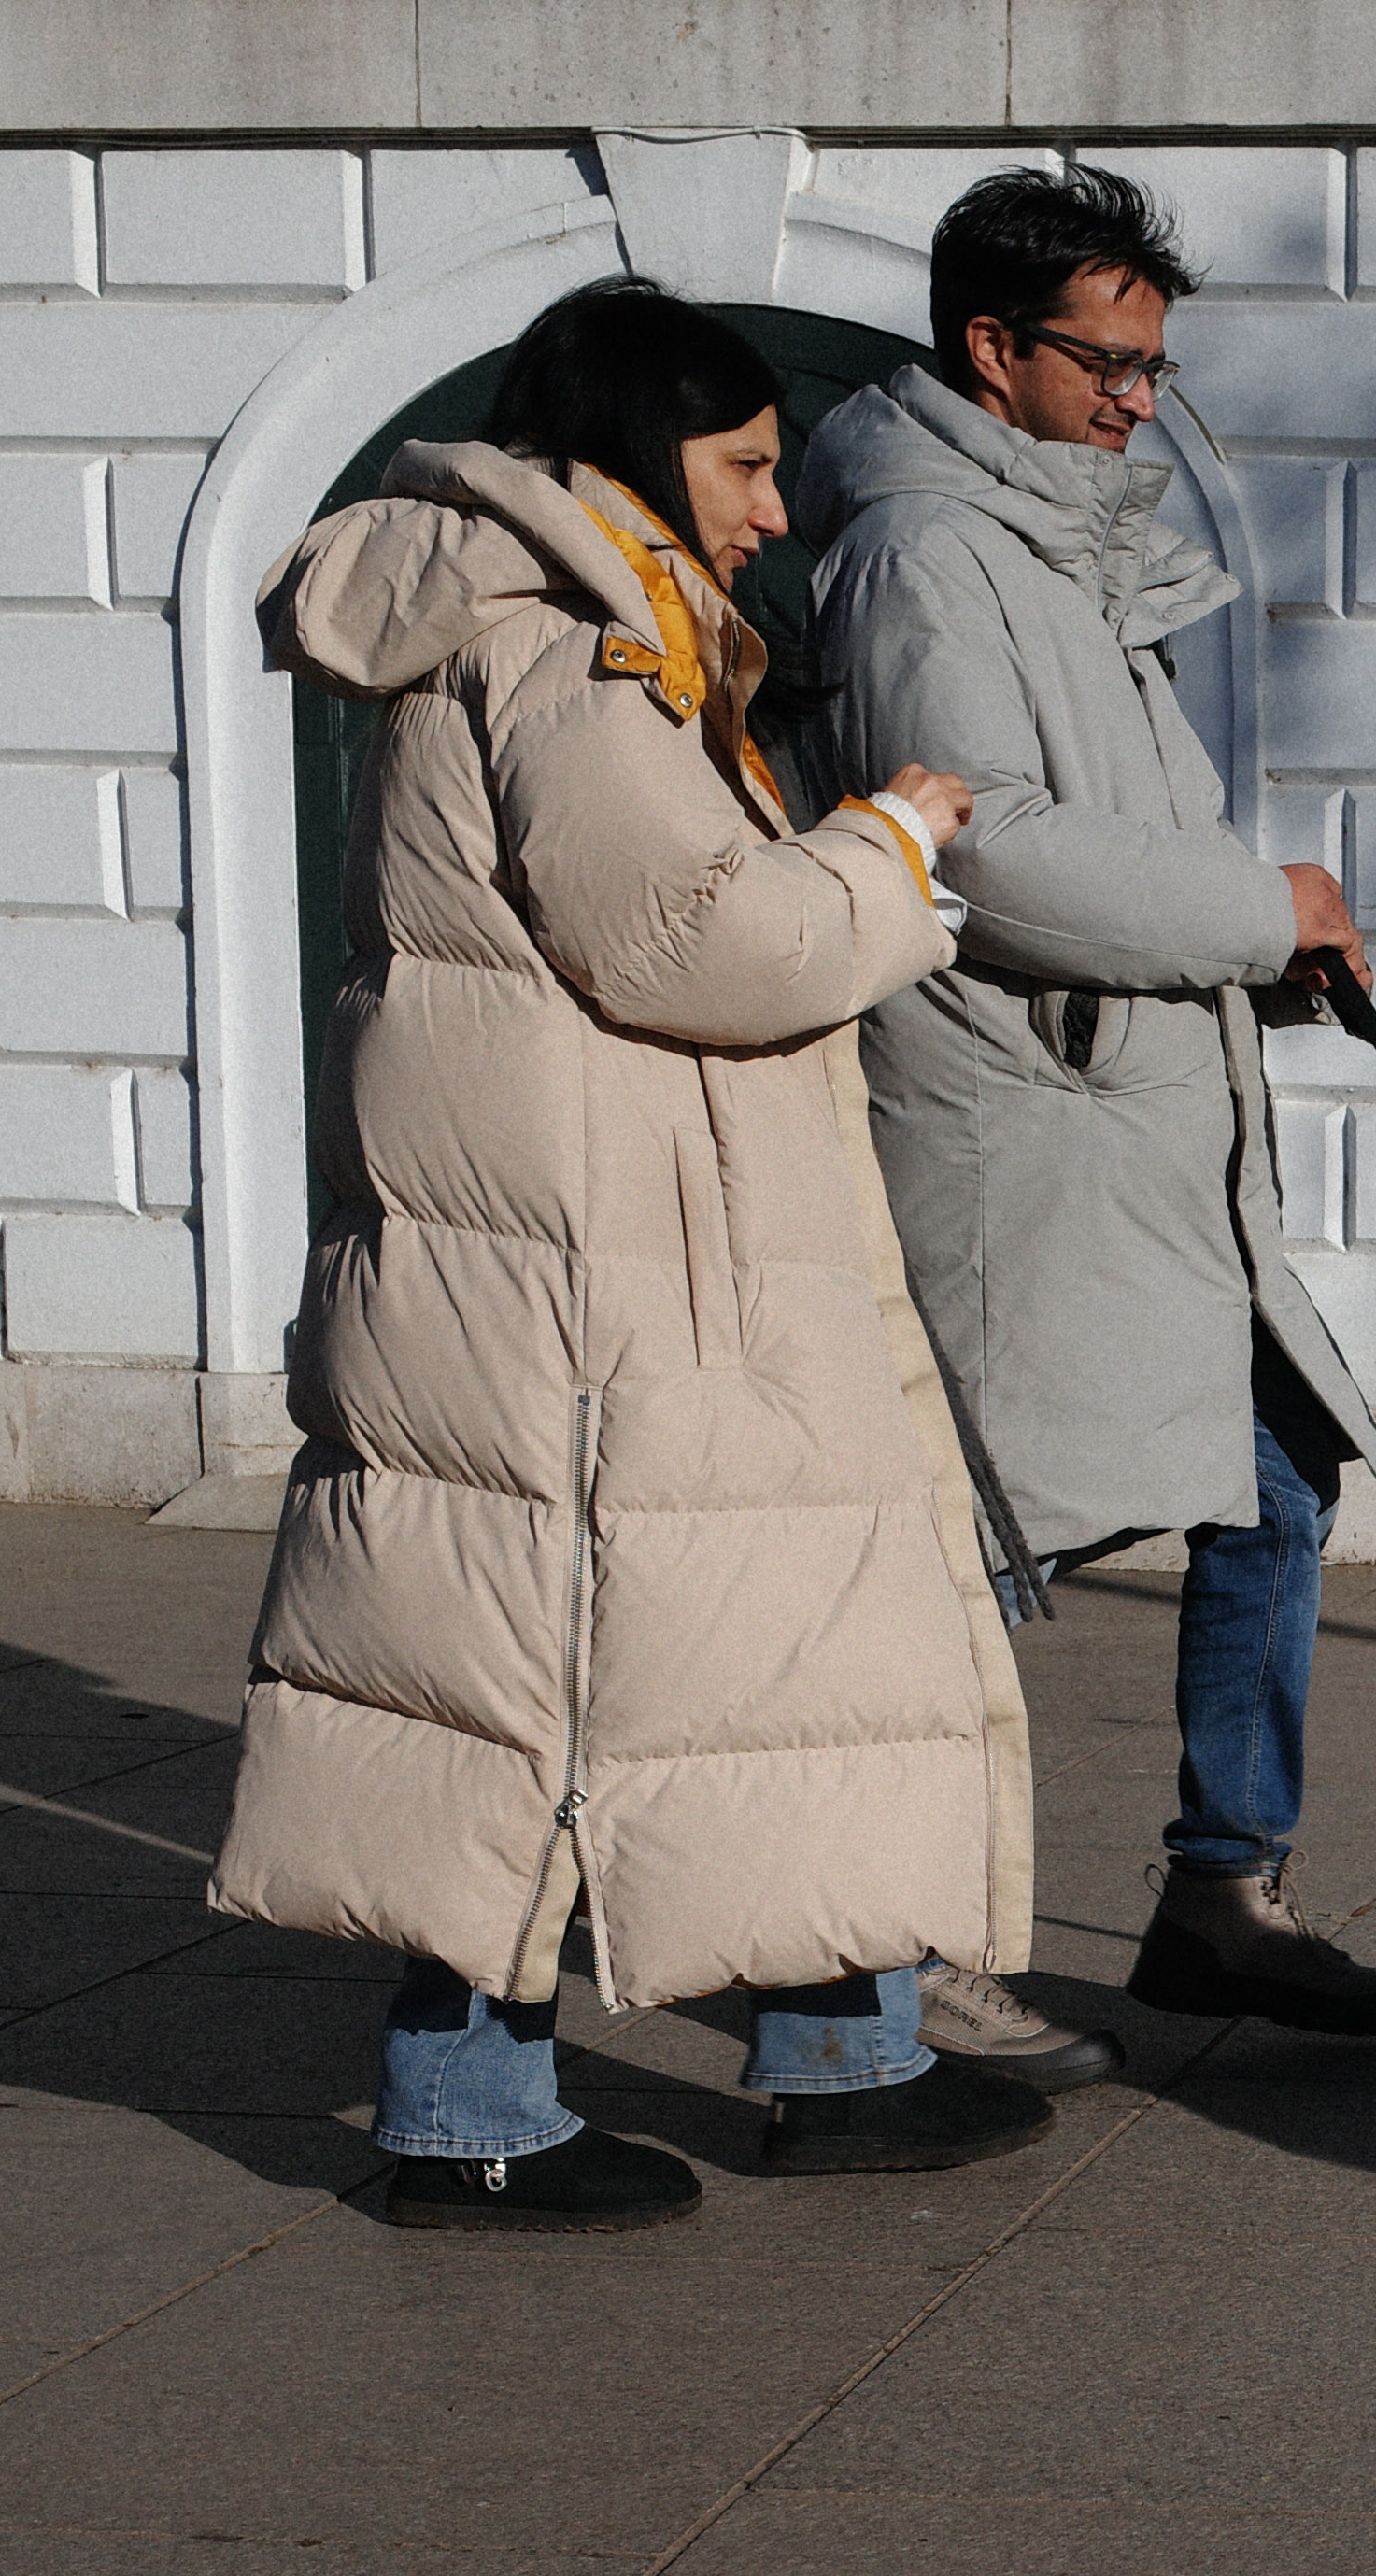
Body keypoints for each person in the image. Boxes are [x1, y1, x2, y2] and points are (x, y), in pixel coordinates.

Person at [217, 281, 1055, 2238]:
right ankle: (465, 2118)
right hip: (601, 1288)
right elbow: (697, 942)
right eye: (745, 465)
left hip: (593, 1257)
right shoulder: (576, 648)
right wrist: (887, 855)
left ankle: (848, 2054)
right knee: (543, 1693)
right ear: (630, 450)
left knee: (747, 1659)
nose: (773, 507)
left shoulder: (562, 624)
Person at [799, 163, 1376, 2045]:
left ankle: (1224, 1893)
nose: (1139, 395)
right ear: (990, 348)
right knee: (984, 1533)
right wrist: (1259, 914)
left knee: (1272, 1479)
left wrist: (1261, 961)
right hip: (1027, 1128)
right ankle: (904, 1949)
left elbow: (1098, 833)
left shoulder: (1047, 537)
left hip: (1137, 1122)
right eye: (1108, 360)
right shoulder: (925, 549)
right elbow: (983, 851)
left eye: (1155, 363)